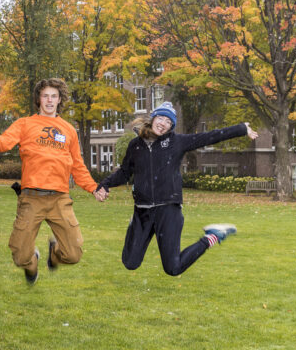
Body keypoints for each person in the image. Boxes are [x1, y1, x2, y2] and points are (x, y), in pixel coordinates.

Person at [95, 101, 258, 276]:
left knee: (173, 268)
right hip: (142, 211)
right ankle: (134, 225)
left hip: (168, 210)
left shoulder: (176, 142)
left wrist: (241, 129)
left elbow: (209, 136)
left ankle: (212, 236)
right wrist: (105, 184)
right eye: (161, 118)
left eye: (168, 122)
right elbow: (125, 172)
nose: (163, 124)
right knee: (130, 262)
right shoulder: (135, 145)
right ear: (153, 118)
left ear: (171, 126)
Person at [0, 78, 104, 285]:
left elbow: (77, 166)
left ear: (60, 100)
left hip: (60, 200)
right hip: (31, 198)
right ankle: (32, 265)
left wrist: (93, 188)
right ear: (38, 99)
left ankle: (54, 254)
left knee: (73, 254)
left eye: (54, 96)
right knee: (21, 256)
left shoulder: (68, 130)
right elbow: (2, 144)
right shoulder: (25, 124)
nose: (49, 100)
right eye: (45, 95)